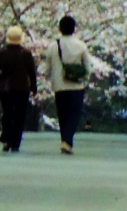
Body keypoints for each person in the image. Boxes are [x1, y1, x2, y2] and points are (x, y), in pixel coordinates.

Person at [47, 16, 91, 154]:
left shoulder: (53, 46)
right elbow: (88, 67)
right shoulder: (81, 45)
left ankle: (65, 141)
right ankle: (67, 141)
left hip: (59, 86)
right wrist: (85, 80)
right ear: (74, 29)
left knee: (63, 114)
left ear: (60, 28)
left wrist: (51, 78)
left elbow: (48, 67)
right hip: (76, 86)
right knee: (74, 115)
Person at [0, 26, 39, 152]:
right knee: (20, 115)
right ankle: (15, 142)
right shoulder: (26, 54)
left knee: (7, 113)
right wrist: (34, 87)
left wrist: (1, 80)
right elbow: (32, 73)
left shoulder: (2, 54)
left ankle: (7, 138)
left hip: (7, 89)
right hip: (22, 88)